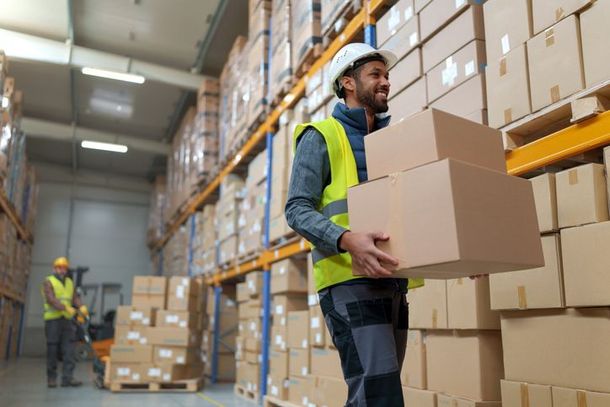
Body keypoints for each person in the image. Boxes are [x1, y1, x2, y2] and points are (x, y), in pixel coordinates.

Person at [285, 42, 425, 406]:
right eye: (375, 75)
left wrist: (458, 255)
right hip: (348, 282)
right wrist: (347, 239)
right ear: (348, 83)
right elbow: (297, 209)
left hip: (392, 280)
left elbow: (409, 210)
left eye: (387, 76)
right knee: (378, 394)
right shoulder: (321, 136)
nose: (386, 83)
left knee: (378, 393)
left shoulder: (390, 141)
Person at [41, 256, 88, 388]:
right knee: (52, 349)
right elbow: (51, 299)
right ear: (54, 268)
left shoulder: (69, 282)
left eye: (64, 268)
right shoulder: (48, 282)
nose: (62, 270)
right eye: (59, 268)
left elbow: (74, 297)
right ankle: (51, 378)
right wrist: (65, 307)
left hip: (67, 320)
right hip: (53, 320)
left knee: (69, 348)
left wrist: (81, 306)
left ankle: (68, 378)